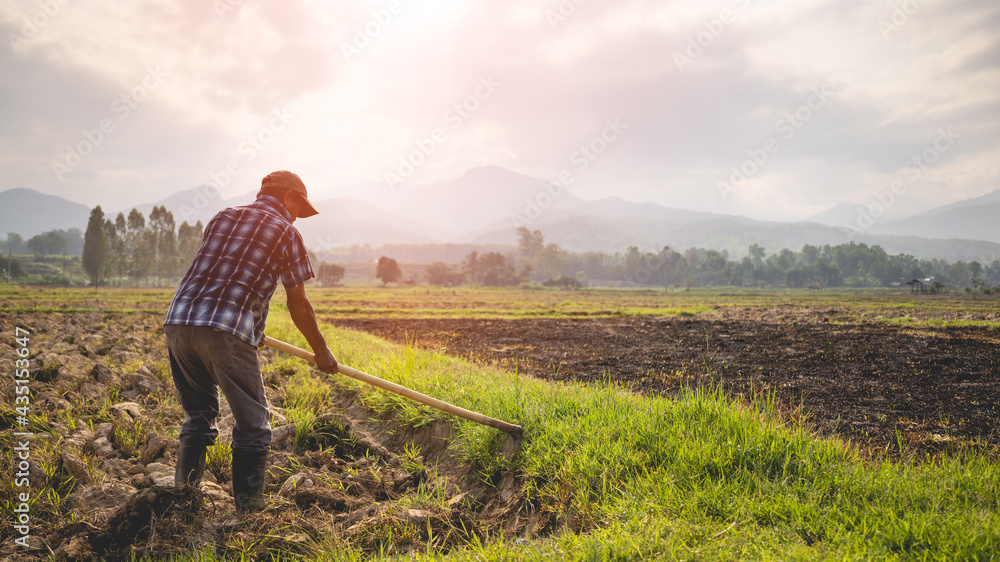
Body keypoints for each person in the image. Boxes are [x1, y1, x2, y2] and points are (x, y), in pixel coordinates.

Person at [164, 170, 338, 512]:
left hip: (179, 322)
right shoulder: (286, 232)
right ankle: (249, 515)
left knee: (198, 415)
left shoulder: (222, 217)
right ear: (287, 196)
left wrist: (253, 331)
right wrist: (322, 350)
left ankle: (182, 503)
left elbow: (224, 273)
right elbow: (298, 303)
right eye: (298, 207)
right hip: (224, 328)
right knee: (255, 426)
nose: (297, 217)